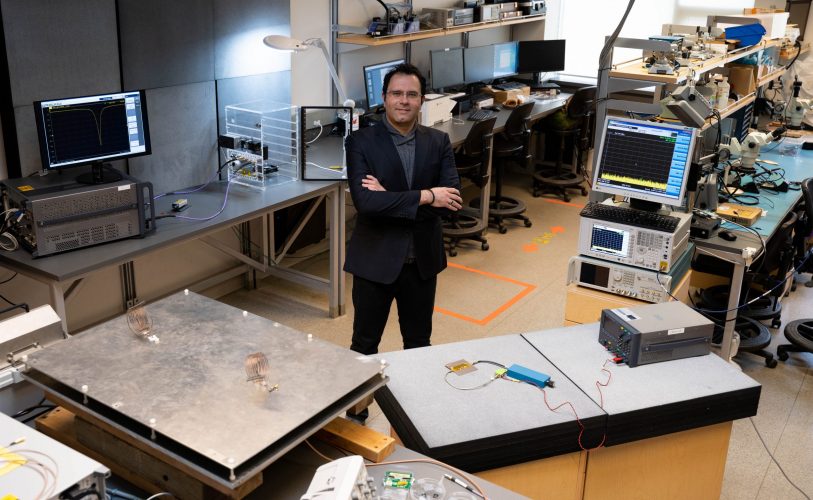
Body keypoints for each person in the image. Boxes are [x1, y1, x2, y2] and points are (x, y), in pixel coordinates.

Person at [344, 63, 461, 420]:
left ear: (422, 100)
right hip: (375, 261)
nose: (404, 101)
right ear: (384, 98)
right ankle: (357, 414)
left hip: (421, 262)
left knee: (418, 343)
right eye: (397, 93)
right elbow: (367, 203)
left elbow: (451, 203)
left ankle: (416, 413)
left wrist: (391, 197)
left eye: (411, 94)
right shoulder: (360, 141)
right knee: (365, 344)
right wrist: (427, 196)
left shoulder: (437, 141)